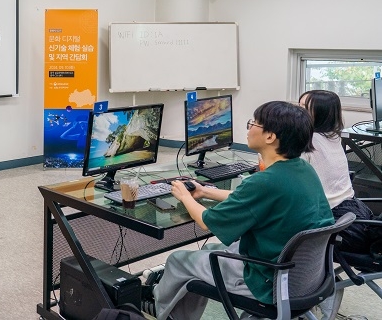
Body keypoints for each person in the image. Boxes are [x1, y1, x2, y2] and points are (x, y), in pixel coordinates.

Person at [149, 101, 334, 320]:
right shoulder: (303, 169)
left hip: (267, 281)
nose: (248, 129)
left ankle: (161, 313)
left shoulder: (265, 182)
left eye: (253, 123)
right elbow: (249, 200)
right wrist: (205, 192)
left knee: (179, 260)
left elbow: (206, 221)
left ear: (270, 137)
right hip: (303, 276)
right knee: (211, 249)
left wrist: (184, 196)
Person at [299, 90, 374, 253]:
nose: (298, 111)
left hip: (340, 228)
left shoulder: (309, 141)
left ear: (320, 113)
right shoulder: (332, 136)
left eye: (304, 107)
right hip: (357, 216)